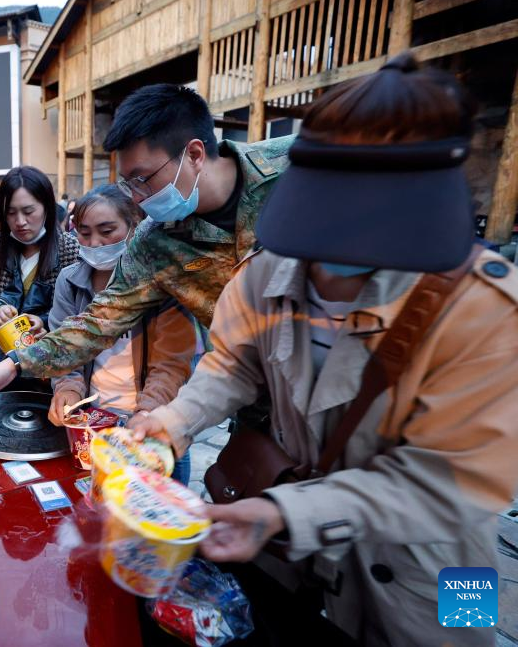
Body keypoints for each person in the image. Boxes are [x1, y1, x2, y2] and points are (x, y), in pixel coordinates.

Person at [130, 53, 518, 646]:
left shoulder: (487, 306)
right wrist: (175, 421)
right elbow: (233, 363)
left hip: (441, 567)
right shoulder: (268, 269)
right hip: (291, 547)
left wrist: (288, 513)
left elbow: (458, 479)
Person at [0, 83, 293, 394]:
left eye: (142, 179)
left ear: (194, 154)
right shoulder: (153, 244)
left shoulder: (299, 166)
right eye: (128, 182)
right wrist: (11, 366)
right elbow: (98, 323)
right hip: (256, 399)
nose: (135, 196)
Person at [47, 184, 198, 484]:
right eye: (84, 232)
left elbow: (171, 364)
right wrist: (68, 388)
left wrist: (148, 412)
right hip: (95, 421)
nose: (95, 243)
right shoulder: (70, 281)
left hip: (152, 422)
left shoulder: (161, 281)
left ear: (133, 225)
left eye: (107, 231)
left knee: (157, 502)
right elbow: (64, 348)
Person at [0, 165, 80, 369]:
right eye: (11, 213)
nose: (20, 222)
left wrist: (46, 323)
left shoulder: (70, 248)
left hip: (46, 360)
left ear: (46, 207)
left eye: (28, 211)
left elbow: (78, 309)